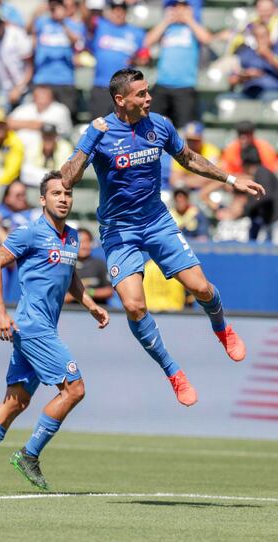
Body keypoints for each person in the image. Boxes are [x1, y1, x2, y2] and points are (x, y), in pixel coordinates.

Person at [61, 68, 265, 407]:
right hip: (119, 231)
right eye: (141, 94)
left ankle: (222, 329)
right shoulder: (101, 133)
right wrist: (88, 140)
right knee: (134, 305)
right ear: (120, 100)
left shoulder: (159, 125)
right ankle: (173, 372)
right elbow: (67, 179)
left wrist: (231, 180)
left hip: (157, 222)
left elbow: (187, 159)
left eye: (148, 91)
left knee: (201, 287)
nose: (148, 98)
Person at [0, 170, 109, 493]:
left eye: (67, 194)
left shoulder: (72, 238)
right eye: (56, 194)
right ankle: (29, 454)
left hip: (40, 328)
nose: (63, 199)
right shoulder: (29, 233)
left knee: (17, 401)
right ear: (42, 200)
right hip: (33, 327)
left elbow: (70, 276)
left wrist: (90, 304)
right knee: (75, 389)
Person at [145, 0, 212, 128]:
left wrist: (190, 20)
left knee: (184, 129)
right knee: (152, 125)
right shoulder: (167, 28)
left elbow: (206, 39)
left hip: (185, 86)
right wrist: (166, 21)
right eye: (176, 7)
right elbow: (147, 42)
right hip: (162, 84)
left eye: (183, 7)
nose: (179, 11)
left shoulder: (193, 28)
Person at [84, 0, 146, 119]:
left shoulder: (136, 32)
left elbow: (143, 57)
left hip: (125, 90)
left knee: (124, 128)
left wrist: (136, 60)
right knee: (99, 126)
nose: (118, 13)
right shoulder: (100, 26)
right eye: (114, 9)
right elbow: (86, 19)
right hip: (102, 86)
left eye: (121, 10)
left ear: (126, 12)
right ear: (109, 12)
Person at [31, 0, 84, 118]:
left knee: (65, 116)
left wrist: (62, 22)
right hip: (43, 79)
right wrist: (37, 12)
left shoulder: (73, 24)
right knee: (41, 117)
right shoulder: (41, 22)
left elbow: (76, 40)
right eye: (52, 6)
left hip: (64, 80)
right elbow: (28, 29)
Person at [0, 8, 33, 111]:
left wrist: (19, 88)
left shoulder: (17, 35)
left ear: (4, 23)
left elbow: (30, 65)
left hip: (24, 87)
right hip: (4, 89)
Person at [8, 85, 73, 151]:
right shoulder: (25, 108)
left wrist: (22, 124)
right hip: (21, 149)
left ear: (51, 97)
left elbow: (47, 127)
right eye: (39, 96)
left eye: (44, 95)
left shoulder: (60, 109)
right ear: (34, 97)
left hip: (51, 150)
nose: (42, 98)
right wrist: (32, 124)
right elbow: (8, 123)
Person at [229, 22, 278, 99]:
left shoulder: (275, 50)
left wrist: (268, 55)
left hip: (271, 91)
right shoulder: (247, 53)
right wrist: (244, 76)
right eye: (259, 36)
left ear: (269, 36)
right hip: (250, 91)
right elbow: (232, 80)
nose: (263, 39)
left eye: (265, 35)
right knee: (227, 99)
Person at [65, 227, 113, 304]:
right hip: (71, 311)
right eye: (80, 242)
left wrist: (89, 292)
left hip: (98, 311)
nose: (84, 246)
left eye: (87, 242)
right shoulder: (66, 265)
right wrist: (73, 295)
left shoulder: (99, 264)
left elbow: (109, 291)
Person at [170, 122, 221, 190]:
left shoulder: (212, 151)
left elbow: (214, 175)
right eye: (189, 140)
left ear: (201, 139)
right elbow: (174, 179)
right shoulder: (180, 153)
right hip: (187, 191)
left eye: (195, 140)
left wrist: (185, 180)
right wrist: (196, 180)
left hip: (207, 189)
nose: (191, 143)